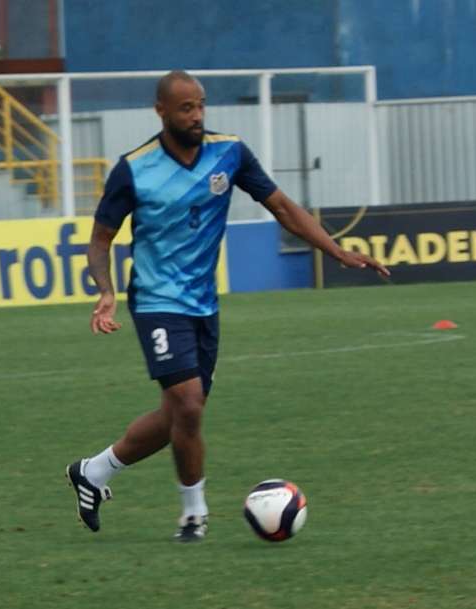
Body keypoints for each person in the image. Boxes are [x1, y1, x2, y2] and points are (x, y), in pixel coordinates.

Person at [66, 70, 389, 542]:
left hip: (202, 304)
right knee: (190, 406)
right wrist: (106, 292)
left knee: (180, 414)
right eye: (185, 108)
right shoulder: (134, 169)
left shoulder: (229, 152)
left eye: (200, 105)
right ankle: (193, 514)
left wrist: (336, 250)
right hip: (156, 301)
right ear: (161, 111)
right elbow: (100, 241)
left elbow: (281, 206)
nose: (197, 115)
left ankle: (93, 472)